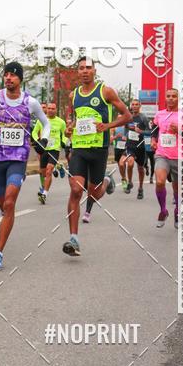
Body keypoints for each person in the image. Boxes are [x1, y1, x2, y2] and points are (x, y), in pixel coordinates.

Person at [0, 61, 50, 271]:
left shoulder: (31, 102)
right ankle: (6, 221)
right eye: (6, 75)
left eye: (13, 75)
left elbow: (45, 123)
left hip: (18, 159)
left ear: (20, 79)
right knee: (4, 207)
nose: (8, 78)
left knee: (9, 203)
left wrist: (43, 140)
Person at [63, 57, 131, 255]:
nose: (85, 71)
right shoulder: (73, 95)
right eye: (81, 68)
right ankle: (73, 238)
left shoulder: (105, 91)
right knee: (76, 190)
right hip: (80, 148)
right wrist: (70, 128)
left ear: (95, 71)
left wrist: (108, 126)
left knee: (92, 193)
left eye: (89, 68)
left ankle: (107, 183)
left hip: (99, 150)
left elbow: (127, 116)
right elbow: (76, 119)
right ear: (78, 72)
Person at [151, 88, 183, 229]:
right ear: (165, 98)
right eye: (168, 96)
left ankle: (178, 211)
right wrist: (153, 140)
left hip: (179, 156)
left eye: (174, 96)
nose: (171, 98)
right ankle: (163, 210)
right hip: (162, 154)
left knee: (178, 189)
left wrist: (179, 130)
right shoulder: (160, 114)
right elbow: (154, 128)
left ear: (178, 98)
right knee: (160, 182)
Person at [32, 102, 69, 204]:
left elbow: (65, 134)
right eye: (49, 108)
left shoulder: (61, 122)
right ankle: (59, 167)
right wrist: (38, 140)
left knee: (49, 171)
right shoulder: (41, 121)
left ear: (56, 110)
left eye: (53, 108)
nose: (51, 110)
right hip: (44, 149)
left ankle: (44, 194)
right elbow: (34, 132)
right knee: (43, 172)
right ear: (46, 109)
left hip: (54, 149)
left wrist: (64, 141)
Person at [119, 98, 149, 199]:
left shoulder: (143, 118)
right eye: (133, 104)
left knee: (140, 169)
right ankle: (128, 181)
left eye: (137, 104)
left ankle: (140, 188)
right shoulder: (128, 117)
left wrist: (141, 131)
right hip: (130, 146)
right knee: (123, 163)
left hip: (140, 146)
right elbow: (126, 128)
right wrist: (125, 136)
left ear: (140, 106)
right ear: (131, 106)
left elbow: (150, 132)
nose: (135, 106)